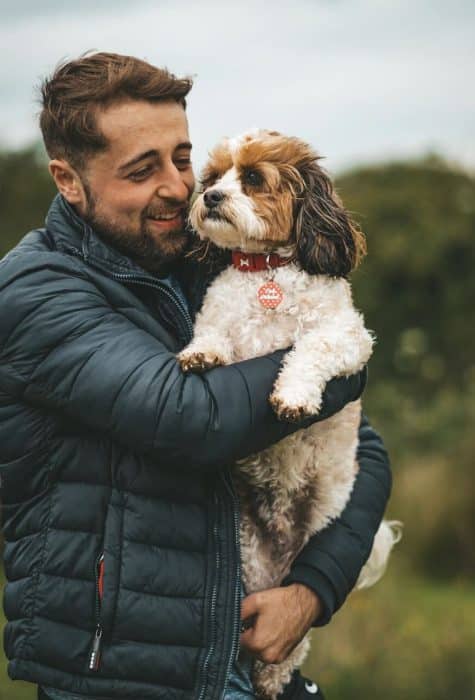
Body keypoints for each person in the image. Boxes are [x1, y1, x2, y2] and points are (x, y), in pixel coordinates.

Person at [0, 53, 391, 700]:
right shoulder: (36, 291)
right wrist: (341, 354)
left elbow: (362, 448)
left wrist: (311, 590)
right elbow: (189, 419)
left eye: (181, 158)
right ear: (68, 181)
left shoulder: (211, 264)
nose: (180, 188)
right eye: (141, 169)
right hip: (122, 677)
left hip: (242, 657)